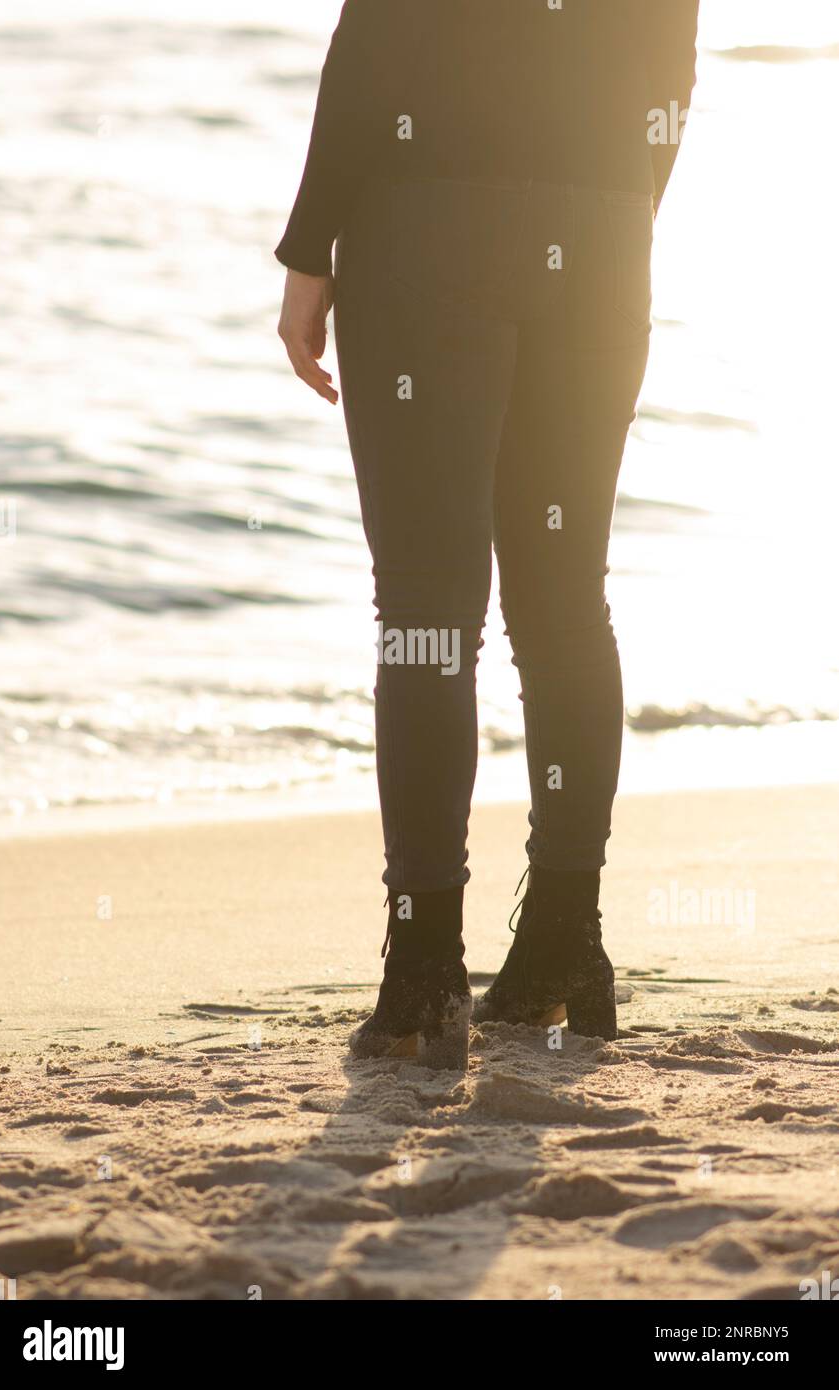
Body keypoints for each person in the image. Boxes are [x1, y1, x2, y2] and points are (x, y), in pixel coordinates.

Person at [276, 0, 700, 1069]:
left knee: (425, 608)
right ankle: (562, 938)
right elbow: (670, 74)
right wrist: (614, 214)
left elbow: (373, 36)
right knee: (564, 598)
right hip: (600, 234)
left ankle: (424, 975)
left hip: (430, 228)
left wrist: (308, 245)